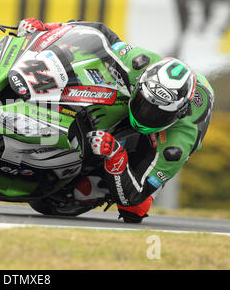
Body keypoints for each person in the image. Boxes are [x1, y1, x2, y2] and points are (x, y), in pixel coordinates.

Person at [17, 18, 214, 223]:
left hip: (170, 133)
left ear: (177, 113)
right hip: (149, 84)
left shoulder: (178, 143)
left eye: (156, 113)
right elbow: (100, 34)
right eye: (142, 103)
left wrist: (115, 156)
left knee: (135, 209)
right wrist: (47, 28)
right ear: (141, 84)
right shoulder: (139, 62)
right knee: (99, 82)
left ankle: (100, 179)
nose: (144, 114)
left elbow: (133, 196)